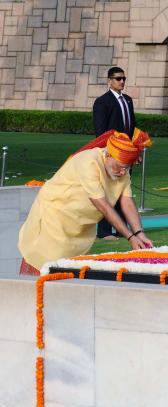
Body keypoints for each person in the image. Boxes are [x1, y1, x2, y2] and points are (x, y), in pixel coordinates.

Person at [18, 131, 154, 275]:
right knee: (42, 265)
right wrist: (130, 237)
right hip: (54, 217)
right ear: (108, 155)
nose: (123, 172)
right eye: (120, 167)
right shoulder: (89, 162)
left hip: (79, 226)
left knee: (69, 271)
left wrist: (139, 233)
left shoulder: (122, 171)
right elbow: (103, 206)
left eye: (127, 168)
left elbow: (127, 201)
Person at [93, 66, 137, 239]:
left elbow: (132, 127)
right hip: (111, 154)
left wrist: (135, 151)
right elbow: (100, 131)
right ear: (109, 81)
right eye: (118, 79)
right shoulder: (102, 102)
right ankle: (104, 231)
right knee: (108, 191)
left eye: (124, 78)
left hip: (126, 155)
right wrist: (108, 154)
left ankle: (121, 229)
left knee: (123, 191)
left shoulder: (128, 100)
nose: (122, 81)